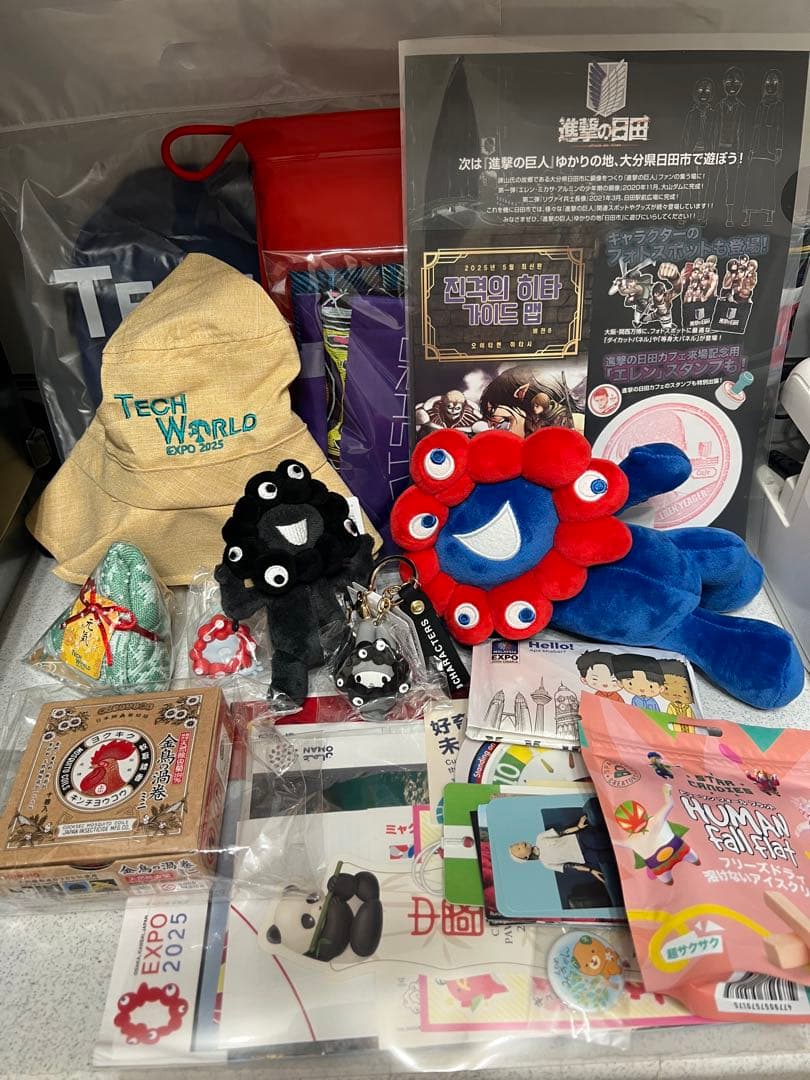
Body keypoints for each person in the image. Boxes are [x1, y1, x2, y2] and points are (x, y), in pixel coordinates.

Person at [509, 811, 613, 888]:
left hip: (583, 839)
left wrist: (578, 827)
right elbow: (571, 866)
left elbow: (562, 832)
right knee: (609, 856)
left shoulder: (540, 838)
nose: (520, 844)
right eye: (518, 848)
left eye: (518, 843)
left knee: (608, 840)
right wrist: (591, 870)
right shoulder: (546, 864)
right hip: (585, 857)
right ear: (526, 857)